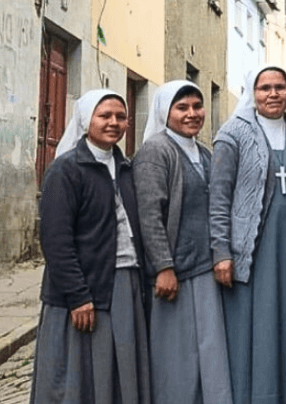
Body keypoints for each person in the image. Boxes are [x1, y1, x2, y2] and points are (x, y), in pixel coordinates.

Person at [31, 89, 151, 404]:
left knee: (117, 368)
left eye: (120, 116)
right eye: (105, 116)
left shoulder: (126, 168)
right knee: (76, 376)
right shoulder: (66, 169)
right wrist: (77, 296)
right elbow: (56, 240)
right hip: (84, 288)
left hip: (124, 282)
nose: (114, 123)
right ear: (87, 120)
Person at [209, 66, 286, 404]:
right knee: (254, 328)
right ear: (252, 93)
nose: (273, 94)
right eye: (265, 87)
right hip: (252, 248)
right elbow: (219, 197)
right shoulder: (233, 133)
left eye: (280, 87)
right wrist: (222, 252)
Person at [133, 81, 233, 404]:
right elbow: (149, 214)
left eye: (197, 106)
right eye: (182, 108)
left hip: (205, 270)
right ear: (166, 112)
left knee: (209, 357)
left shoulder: (204, 152)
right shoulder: (156, 151)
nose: (192, 114)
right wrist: (163, 266)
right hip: (174, 275)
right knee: (176, 361)